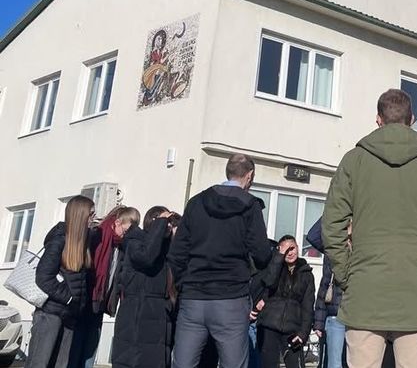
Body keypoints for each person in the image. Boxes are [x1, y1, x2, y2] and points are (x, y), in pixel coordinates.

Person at [323, 88, 417, 368]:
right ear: (413, 119)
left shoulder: (354, 160)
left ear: (378, 119)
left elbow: (332, 225)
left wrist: (346, 273)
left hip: (365, 289)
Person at [169, 152, 274, 368]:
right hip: (231, 297)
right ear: (250, 175)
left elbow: (177, 253)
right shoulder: (250, 205)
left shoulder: (196, 202)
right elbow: (262, 255)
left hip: (194, 297)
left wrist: (183, 285)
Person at [69, 205, 141, 368]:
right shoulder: (98, 235)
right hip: (86, 298)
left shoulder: (122, 245)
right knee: (77, 346)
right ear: (117, 222)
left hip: (100, 301)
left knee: (91, 346)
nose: (128, 234)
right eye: (127, 228)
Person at [27, 196, 94, 368]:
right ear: (80, 215)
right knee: (39, 364)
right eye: (90, 214)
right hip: (50, 315)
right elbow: (43, 278)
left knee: (61, 364)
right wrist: (69, 298)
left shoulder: (81, 244)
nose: (93, 219)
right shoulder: (59, 241)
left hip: (69, 316)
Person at [111, 205, 176, 368]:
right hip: (137, 323)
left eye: (170, 223)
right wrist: (160, 224)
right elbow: (146, 257)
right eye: (165, 222)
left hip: (158, 324)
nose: (168, 226)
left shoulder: (165, 250)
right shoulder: (135, 242)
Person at [256, 235, 315, 368]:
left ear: (298, 248)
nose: (290, 253)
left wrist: (303, 333)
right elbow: (268, 282)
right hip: (269, 325)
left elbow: (308, 306)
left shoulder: (306, 274)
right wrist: (278, 256)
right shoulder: (275, 267)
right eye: (286, 250)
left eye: (292, 248)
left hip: (292, 329)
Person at [306, 218, 346, 368]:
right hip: (335, 315)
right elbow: (313, 235)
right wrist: (334, 209)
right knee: (333, 364)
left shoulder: (363, 249)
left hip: (359, 315)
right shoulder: (334, 249)